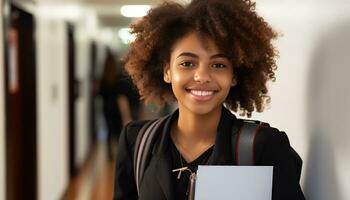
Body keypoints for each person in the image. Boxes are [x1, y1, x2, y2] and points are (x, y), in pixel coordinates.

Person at [114, 0, 305, 199]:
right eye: (187, 63)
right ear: (167, 71)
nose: (202, 76)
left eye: (218, 65)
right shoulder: (136, 141)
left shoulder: (264, 146)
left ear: (234, 76)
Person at [99, 49, 140, 160]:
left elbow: (100, 94)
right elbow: (121, 99)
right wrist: (126, 117)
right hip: (118, 111)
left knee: (110, 132)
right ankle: (122, 156)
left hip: (107, 110)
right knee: (122, 135)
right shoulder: (119, 78)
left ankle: (111, 154)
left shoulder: (104, 78)